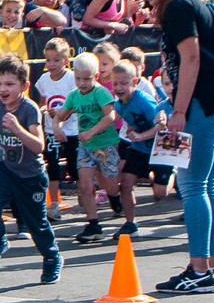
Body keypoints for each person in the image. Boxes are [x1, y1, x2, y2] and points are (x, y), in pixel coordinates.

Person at [134, 0, 214, 295]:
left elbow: (191, 57)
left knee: (193, 185)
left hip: (202, 104)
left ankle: (198, 270)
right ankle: (210, 267)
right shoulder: (192, 1)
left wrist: (178, 111)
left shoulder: (179, 6)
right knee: (207, 184)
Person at [0, 54, 63, 284]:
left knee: (36, 223)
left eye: (9, 84)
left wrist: (18, 129)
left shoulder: (29, 109)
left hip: (31, 175)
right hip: (6, 169)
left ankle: (52, 257)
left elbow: (39, 146)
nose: (2, 89)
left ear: (24, 86)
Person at [51, 52, 118, 243]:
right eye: (78, 79)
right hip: (86, 148)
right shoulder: (74, 95)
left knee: (111, 186)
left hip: (105, 145)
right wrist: (57, 128)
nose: (82, 83)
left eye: (86, 79)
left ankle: (115, 199)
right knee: (85, 185)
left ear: (96, 77)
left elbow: (110, 116)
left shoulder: (101, 93)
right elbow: (59, 115)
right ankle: (93, 224)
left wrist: (92, 132)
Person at [111, 59, 161, 236]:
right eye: (115, 83)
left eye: (124, 83)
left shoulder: (146, 102)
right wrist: (133, 131)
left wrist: (141, 135)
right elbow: (130, 123)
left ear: (135, 82)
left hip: (159, 147)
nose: (119, 87)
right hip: (139, 148)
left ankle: (172, 175)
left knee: (160, 193)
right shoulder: (119, 105)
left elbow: (161, 127)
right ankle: (130, 223)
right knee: (126, 183)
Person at [35, 37, 77, 220]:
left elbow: (78, 103)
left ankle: (86, 192)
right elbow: (43, 103)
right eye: (48, 60)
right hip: (51, 130)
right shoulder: (44, 79)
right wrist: (43, 110)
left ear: (66, 61)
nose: (51, 64)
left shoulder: (72, 79)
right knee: (52, 166)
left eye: (57, 60)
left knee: (75, 167)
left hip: (72, 130)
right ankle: (53, 203)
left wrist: (62, 112)